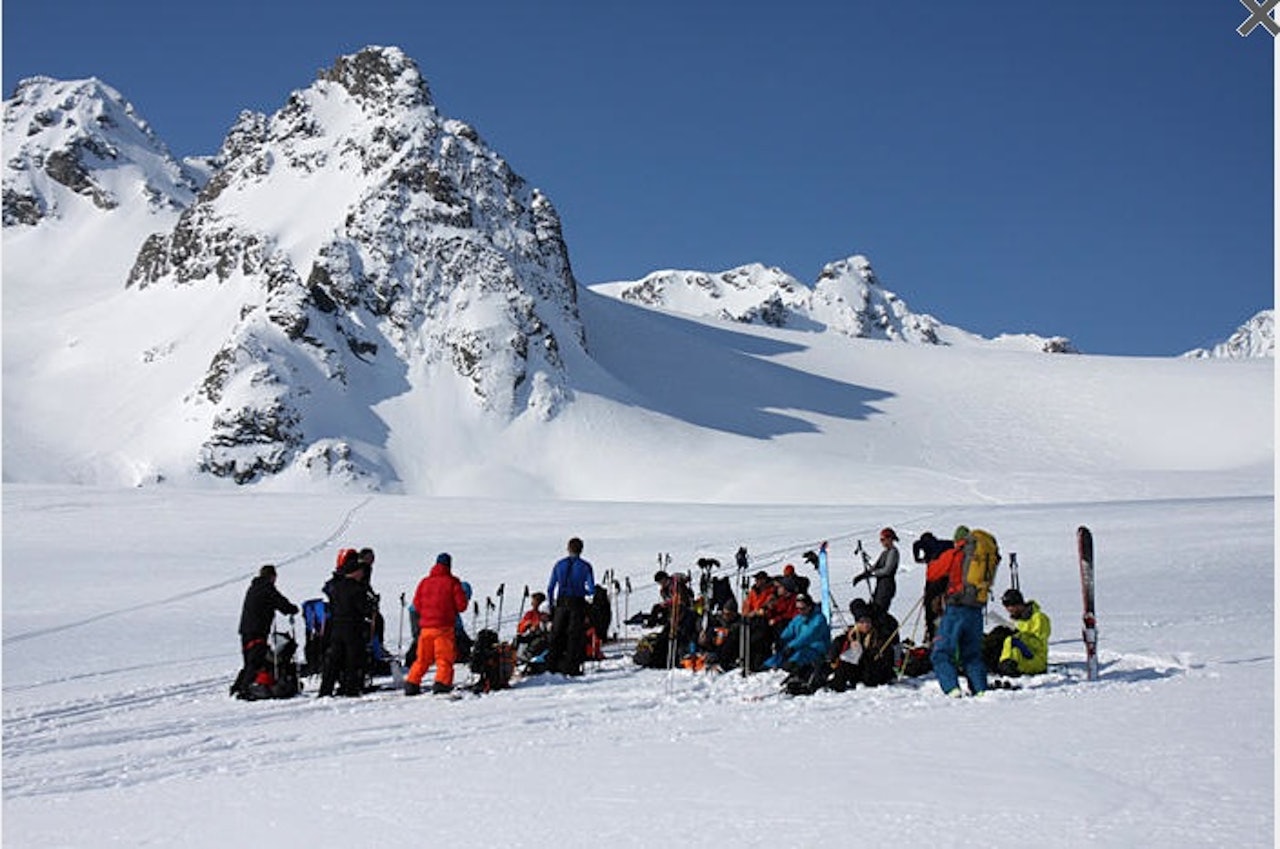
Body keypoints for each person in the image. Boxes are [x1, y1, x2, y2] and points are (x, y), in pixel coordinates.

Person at [929, 526, 988, 697]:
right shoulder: (981, 557)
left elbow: (932, 573)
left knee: (941, 653)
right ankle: (980, 690)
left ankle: (952, 688)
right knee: (972, 654)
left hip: (956, 609)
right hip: (976, 611)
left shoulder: (954, 554)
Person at [405, 553, 470, 695]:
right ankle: (442, 683)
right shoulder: (453, 582)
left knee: (422, 659)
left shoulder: (424, 582)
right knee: (444, 659)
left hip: (425, 628)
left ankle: (412, 683)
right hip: (444, 628)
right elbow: (461, 606)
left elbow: (417, 604)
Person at [232, 564, 299, 699]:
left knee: (250, 660)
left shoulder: (254, 587)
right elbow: (282, 604)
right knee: (255, 661)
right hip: (257, 630)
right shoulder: (267, 588)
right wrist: (293, 609)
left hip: (246, 629)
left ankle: (239, 687)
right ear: (272, 577)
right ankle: (245, 689)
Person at [319, 555, 373, 697]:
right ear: (355, 572)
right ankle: (350, 688)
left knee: (334, 660)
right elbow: (364, 608)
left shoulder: (336, 587)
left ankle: (325, 689)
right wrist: (371, 606)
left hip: (336, 626)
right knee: (352, 659)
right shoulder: (357, 588)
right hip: (352, 626)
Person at [546, 537, 596, 676]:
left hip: (561, 602)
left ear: (568, 548)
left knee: (557, 634)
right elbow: (592, 589)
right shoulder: (585, 566)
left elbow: (550, 588)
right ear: (581, 550)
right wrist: (584, 591)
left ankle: (552, 664)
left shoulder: (559, 564)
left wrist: (552, 605)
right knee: (574, 635)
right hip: (577, 602)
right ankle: (571, 666)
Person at [765, 593, 831, 694]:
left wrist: (791, 646)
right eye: (798, 609)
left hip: (817, 649)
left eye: (803, 608)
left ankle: (803, 676)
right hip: (801, 647)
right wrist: (780, 640)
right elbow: (789, 630)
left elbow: (807, 636)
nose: (800, 611)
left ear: (809, 606)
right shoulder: (799, 618)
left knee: (798, 656)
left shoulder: (819, 619)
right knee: (781, 657)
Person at [828, 598, 898, 691]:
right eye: (862, 622)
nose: (865, 625)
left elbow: (887, 652)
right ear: (857, 623)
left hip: (875, 671)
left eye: (868, 622)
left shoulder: (878, 635)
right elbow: (838, 645)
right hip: (858, 670)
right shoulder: (851, 634)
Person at [986, 588, 1052, 677]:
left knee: (1009, 639)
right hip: (1021, 654)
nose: (1008, 610)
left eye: (1010, 608)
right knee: (999, 632)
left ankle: (1004, 664)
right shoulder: (1021, 621)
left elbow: (1039, 644)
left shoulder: (1039, 618)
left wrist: (1019, 636)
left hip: (1035, 659)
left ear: (1018, 604)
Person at [913, 531, 953, 643]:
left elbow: (916, 544)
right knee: (942, 606)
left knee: (930, 607)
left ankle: (931, 635)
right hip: (946, 579)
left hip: (934, 581)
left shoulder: (927, 544)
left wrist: (917, 558)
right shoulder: (945, 544)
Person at [855, 527, 900, 616]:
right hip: (880, 585)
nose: (882, 542)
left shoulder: (893, 552)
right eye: (881, 540)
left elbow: (887, 570)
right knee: (874, 608)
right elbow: (875, 566)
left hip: (887, 585)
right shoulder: (885, 553)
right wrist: (863, 575)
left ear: (890, 539)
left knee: (879, 610)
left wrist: (872, 574)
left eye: (883, 539)